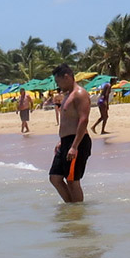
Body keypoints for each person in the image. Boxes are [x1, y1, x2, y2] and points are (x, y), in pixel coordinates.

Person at [48, 64, 92, 204]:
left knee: (72, 180)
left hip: (77, 141)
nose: (58, 85)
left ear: (66, 77)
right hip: (66, 141)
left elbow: (83, 120)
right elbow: (68, 120)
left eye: (58, 81)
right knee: (55, 177)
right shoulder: (67, 96)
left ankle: (78, 212)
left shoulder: (80, 94)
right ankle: (72, 209)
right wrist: (62, 141)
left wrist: (74, 146)